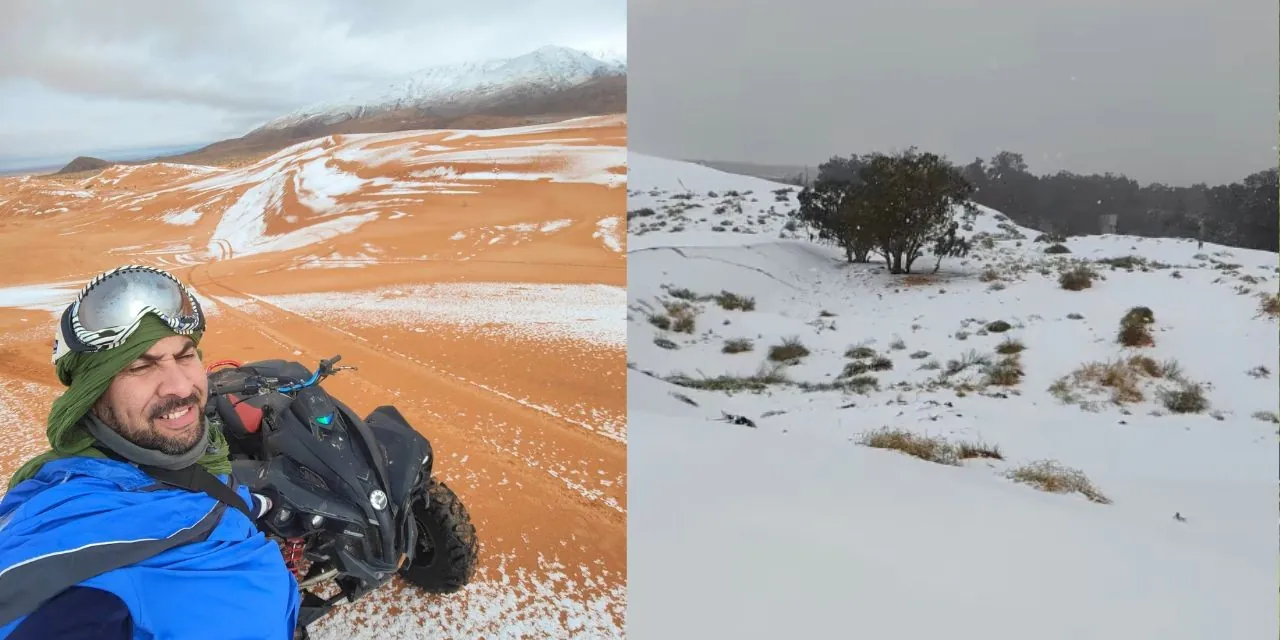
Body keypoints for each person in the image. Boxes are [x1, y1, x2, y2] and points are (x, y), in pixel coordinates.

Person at [0, 265, 301, 639]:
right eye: (141, 366)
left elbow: (197, 493)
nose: (180, 386)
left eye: (185, 355)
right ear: (92, 395)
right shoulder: (84, 580)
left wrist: (251, 504)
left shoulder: (180, 463)